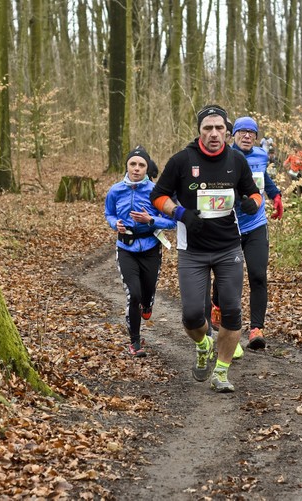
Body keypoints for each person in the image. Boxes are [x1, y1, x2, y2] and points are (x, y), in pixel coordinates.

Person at [150, 104, 261, 393]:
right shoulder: (182, 161)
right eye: (207, 128)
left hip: (228, 247)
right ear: (199, 130)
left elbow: (255, 193)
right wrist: (180, 213)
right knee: (191, 315)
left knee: (232, 310)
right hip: (193, 250)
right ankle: (203, 345)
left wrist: (252, 203)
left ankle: (221, 372)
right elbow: (158, 195)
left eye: (219, 128)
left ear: (227, 130)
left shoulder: (237, 160)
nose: (214, 134)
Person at [209, 117, 283, 352]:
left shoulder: (261, 156)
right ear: (234, 135)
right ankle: (217, 305)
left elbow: (264, 178)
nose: (247, 136)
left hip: (256, 224)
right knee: (226, 276)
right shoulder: (224, 156)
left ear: (257, 137)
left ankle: (256, 329)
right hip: (229, 225)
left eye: (252, 133)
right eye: (242, 132)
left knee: (258, 275)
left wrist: (276, 195)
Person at [105, 147, 176, 357]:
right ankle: (135, 342)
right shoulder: (115, 190)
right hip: (126, 247)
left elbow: (172, 222)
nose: (136, 169)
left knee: (147, 291)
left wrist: (151, 220)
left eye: (141, 165)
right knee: (133, 294)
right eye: (133, 164)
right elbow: (108, 212)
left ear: (147, 168)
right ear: (126, 166)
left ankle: (149, 302)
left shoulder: (156, 192)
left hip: (151, 248)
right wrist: (114, 223)